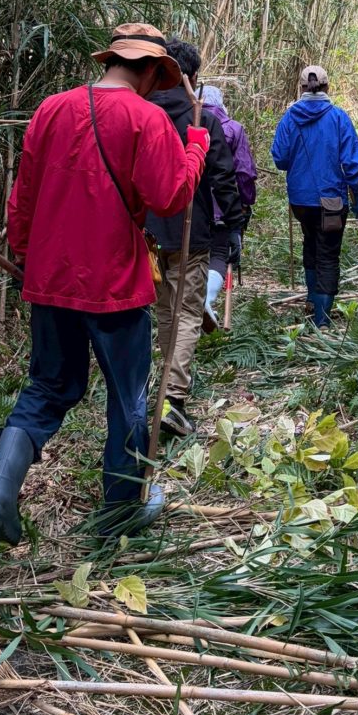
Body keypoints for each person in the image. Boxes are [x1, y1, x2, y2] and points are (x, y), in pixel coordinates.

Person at [0, 23, 210, 546]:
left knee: (48, 387)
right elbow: (170, 196)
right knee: (128, 397)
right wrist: (195, 149)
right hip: (115, 284)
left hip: (50, 277)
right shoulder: (146, 118)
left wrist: (25, 257)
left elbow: (23, 198)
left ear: (113, 61)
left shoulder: (50, 109)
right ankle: (121, 509)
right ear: (150, 70)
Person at [145, 42, 244, 437]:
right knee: (187, 311)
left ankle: (167, 385)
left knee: (166, 309)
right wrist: (234, 226)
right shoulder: (199, 117)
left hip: (149, 232)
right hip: (191, 229)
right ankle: (173, 397)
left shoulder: (141, 112)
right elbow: (223, 176)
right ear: (193, 77)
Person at [271, 64, 358, 327]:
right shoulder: (338, 118)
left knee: (310, 243)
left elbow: (280, 159)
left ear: (301, 88)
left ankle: (313, 299)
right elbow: (353, 164)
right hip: (332, 200)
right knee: (328, 253)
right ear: (327, 86)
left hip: (300, 200)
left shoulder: (289, 118)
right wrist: (356, 193)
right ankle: (322, 319)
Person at [200, 84, 258, 327]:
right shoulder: (233, 128)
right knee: (220, 252)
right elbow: (244, 172)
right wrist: (245, 202)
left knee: (194, 256)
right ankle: (207, 300)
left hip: (191, 207)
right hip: (223, 205)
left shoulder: (186, 122)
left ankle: (190, 307)